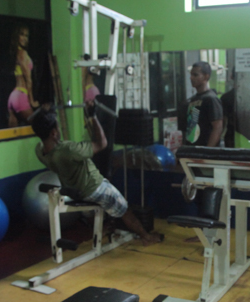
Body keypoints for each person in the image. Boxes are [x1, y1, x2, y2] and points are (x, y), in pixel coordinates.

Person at [31, 105, 163, 246]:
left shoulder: (40, 151)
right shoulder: (68, 150)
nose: (59, 130)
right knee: (124, 209)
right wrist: (93, 117)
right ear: (53, 133)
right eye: (57, 127)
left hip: (77, 192)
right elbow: (102, 143)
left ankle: (102, 230)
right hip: (95, 188)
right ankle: (146, 237)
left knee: (96, 210)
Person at [184, 61, 223, 147]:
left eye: (195, 75)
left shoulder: (211, 99)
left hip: (204, 149)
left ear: (206, 76)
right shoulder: (193, 99)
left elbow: (217, 127)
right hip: (193, 147)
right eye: (191, 75)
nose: (191, 78)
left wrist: (208, 150)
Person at [7, 24, 38, 127]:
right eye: (22, 35)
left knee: (13, 133)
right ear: (17, 36)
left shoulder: (16, 53)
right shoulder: (22, 53)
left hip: (13, 97)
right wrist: (32, 101)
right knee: (38, 126)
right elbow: (28, 79)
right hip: (21, 95)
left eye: (26, 35)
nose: (24, 38)